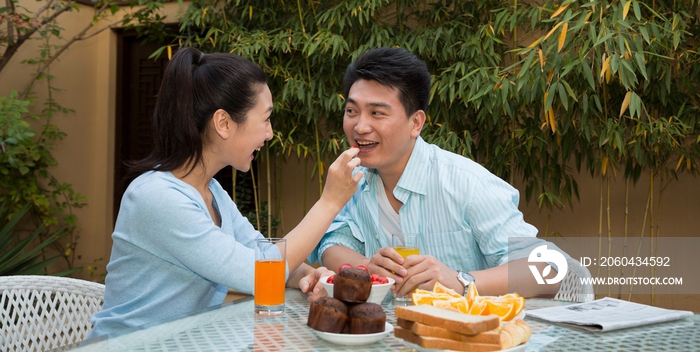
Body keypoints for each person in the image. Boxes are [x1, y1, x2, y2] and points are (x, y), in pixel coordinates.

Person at [89, 47, 363, 338]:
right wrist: (330, 202)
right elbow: (257, 275)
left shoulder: (212, 191)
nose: (270, 134)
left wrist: (305, 274)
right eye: (266, 119)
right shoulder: (157, 197)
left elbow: (261, 254)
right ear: (224, 123)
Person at [309, 47, 559, 299]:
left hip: (463, 332)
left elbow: (550, 269)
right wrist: (367, 268)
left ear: (416, 123)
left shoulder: (469, 185)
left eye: (377, 113)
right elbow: (331, 242)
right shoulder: (353, 179)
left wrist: (461, 281)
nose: (360, 126)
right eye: (352, 111)